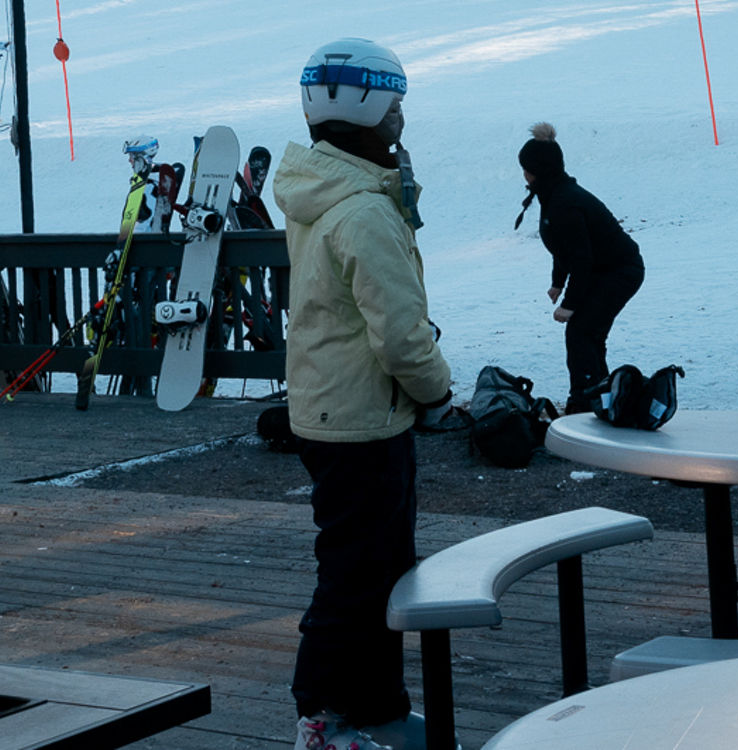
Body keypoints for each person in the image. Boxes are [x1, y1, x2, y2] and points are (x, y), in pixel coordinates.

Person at [272, 37, 452, 750]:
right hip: (362, 421)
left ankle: (374, 705)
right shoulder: (364, 211)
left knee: (374, 569)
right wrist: (437, 394)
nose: (403, 123)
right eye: (397, 107)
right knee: (357, 576)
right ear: (370, 107)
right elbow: (400, 333)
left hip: (330, 406)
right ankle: (323, 714)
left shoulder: (327, 191)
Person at [519, 122, 646, 412]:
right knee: (587, 332)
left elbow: (581, 258)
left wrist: (569, 304)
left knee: (582, 331)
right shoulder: (554, 195)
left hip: (620, 271)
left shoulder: (565, 203)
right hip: (603, 269)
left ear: (540, 170)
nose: (524, 175)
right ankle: (599, 397)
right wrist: (557, 282)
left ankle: (586, 403)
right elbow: (563, 248)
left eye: (527, 168)